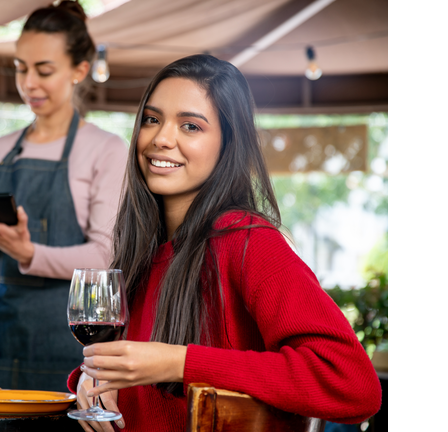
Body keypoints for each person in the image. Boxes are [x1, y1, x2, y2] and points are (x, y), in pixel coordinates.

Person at [67, 55, 382, 431]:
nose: (161, 139)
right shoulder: (144, 248)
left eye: (190, 126)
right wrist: (91, 379)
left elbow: (353, 384)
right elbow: (141, 372)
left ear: (228, 144)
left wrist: (180, 363)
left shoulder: (247, 240)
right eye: (152, 120)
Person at [0, 0, 128, 392]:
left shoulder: (106, 150)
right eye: (20, 68)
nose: (28, 83)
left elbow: (104, 258)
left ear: (79, 70)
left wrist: (27, 253)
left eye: (44, 70)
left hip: (68, 345)